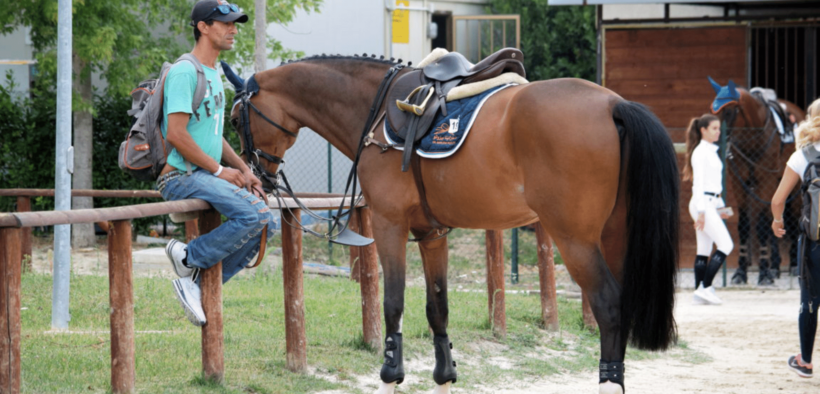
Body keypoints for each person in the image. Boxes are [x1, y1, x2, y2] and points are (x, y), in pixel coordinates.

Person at [157, 0, 273, 326]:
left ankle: (197, 283)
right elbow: (178, 136)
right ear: (203, 27)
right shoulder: (184, 71)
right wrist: (221, 171)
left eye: (235, 23)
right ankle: (187, 257)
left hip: (203, 173)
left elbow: (213, 136)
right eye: (225, 23)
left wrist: (246, 170)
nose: (233, 29)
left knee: (269, 224)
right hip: (179, 176)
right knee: (256, 213)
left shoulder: (213, 73)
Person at [772, 98, 820, 378]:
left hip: (813, 241)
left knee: (810, 301)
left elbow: (778, 200)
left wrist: (778, 222)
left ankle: (805, 362)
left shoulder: (802, 156)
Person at [682, 114, 734, 305]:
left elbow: (714, 185)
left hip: (711, 203)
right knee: (726, 245)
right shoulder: (700, 152)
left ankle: (699, 292)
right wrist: (702, 212)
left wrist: (721, 209)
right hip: (701, 203)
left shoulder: (711, 151)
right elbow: (699, 185)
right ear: (703, 130)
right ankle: (705, 286)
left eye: (719, 128)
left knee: (704, 249)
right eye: (714, 128)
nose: (718, 132)